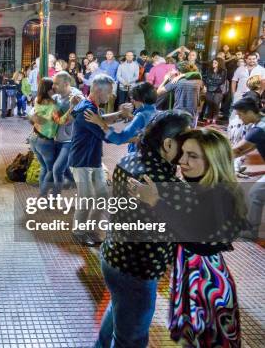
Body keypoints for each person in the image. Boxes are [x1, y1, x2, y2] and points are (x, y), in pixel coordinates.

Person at [132, 128, 245, 347]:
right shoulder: (204, 186)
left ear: (214, 160)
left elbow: (198, 238)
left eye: (192, 156)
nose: (182, 161)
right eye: (183, 153)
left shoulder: (218, 195)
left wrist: (155, 202)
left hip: (206, 284)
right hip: (193, 275)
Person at [96, 110, 194, 348]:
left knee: (119, 310)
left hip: (114, 256)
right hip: (138, 269)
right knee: (131, 338)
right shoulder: (165, 183)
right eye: (187, 142)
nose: (189, 149)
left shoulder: (129, 160)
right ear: (168, 143)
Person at [69, 74, 115, 246]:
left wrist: (117, 115)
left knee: (102, 195)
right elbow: (107, 136)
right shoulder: (87, 110)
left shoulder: (92, 107)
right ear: (98, 90)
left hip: (93, 158)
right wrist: (132, 137)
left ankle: (92, 228)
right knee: (87, 198)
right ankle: (79, 231)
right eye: (109, 92)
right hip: (81, 160)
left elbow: (101, 120)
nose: (110, 96)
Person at [85, 82, 158, 153]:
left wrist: (101, 123)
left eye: (133, 99)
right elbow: (143, 126)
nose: (132, 101)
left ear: (141, 100)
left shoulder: (141, 116)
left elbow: (119, 139)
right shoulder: (157, 112)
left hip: (138, 156)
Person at [232, 98, 265, 240]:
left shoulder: (258, 130)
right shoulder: (261, 123)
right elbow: (247, 148)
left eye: (240, 114)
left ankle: (251, 232)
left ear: (250, 112)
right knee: (257, 193)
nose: (239, 118)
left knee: (256, 193)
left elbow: (237, 150)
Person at [51, 72, 81, 192]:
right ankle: (74, 183)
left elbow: (67, 121)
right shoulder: (55, 97)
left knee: (57, 169)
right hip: (57, 138)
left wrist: (72, 107)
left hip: (70, 140)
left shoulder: (77, 97)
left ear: (66, 84)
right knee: (64, 166)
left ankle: (54, 197)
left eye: (56, 84)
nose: (53, 86)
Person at [202, 58, 227, 125]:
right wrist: (209, 83)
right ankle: (208, 119)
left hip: (219, 90)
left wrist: (211, 81)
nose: (213, 64)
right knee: (209, 104)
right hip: (209, 89)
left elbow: (221, 81)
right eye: (213, 62)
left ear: (219, 63)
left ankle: (214, 120)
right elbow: (205, 79)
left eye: (215, 63)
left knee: (216, 104)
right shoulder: (209, 70)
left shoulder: (223, 71)